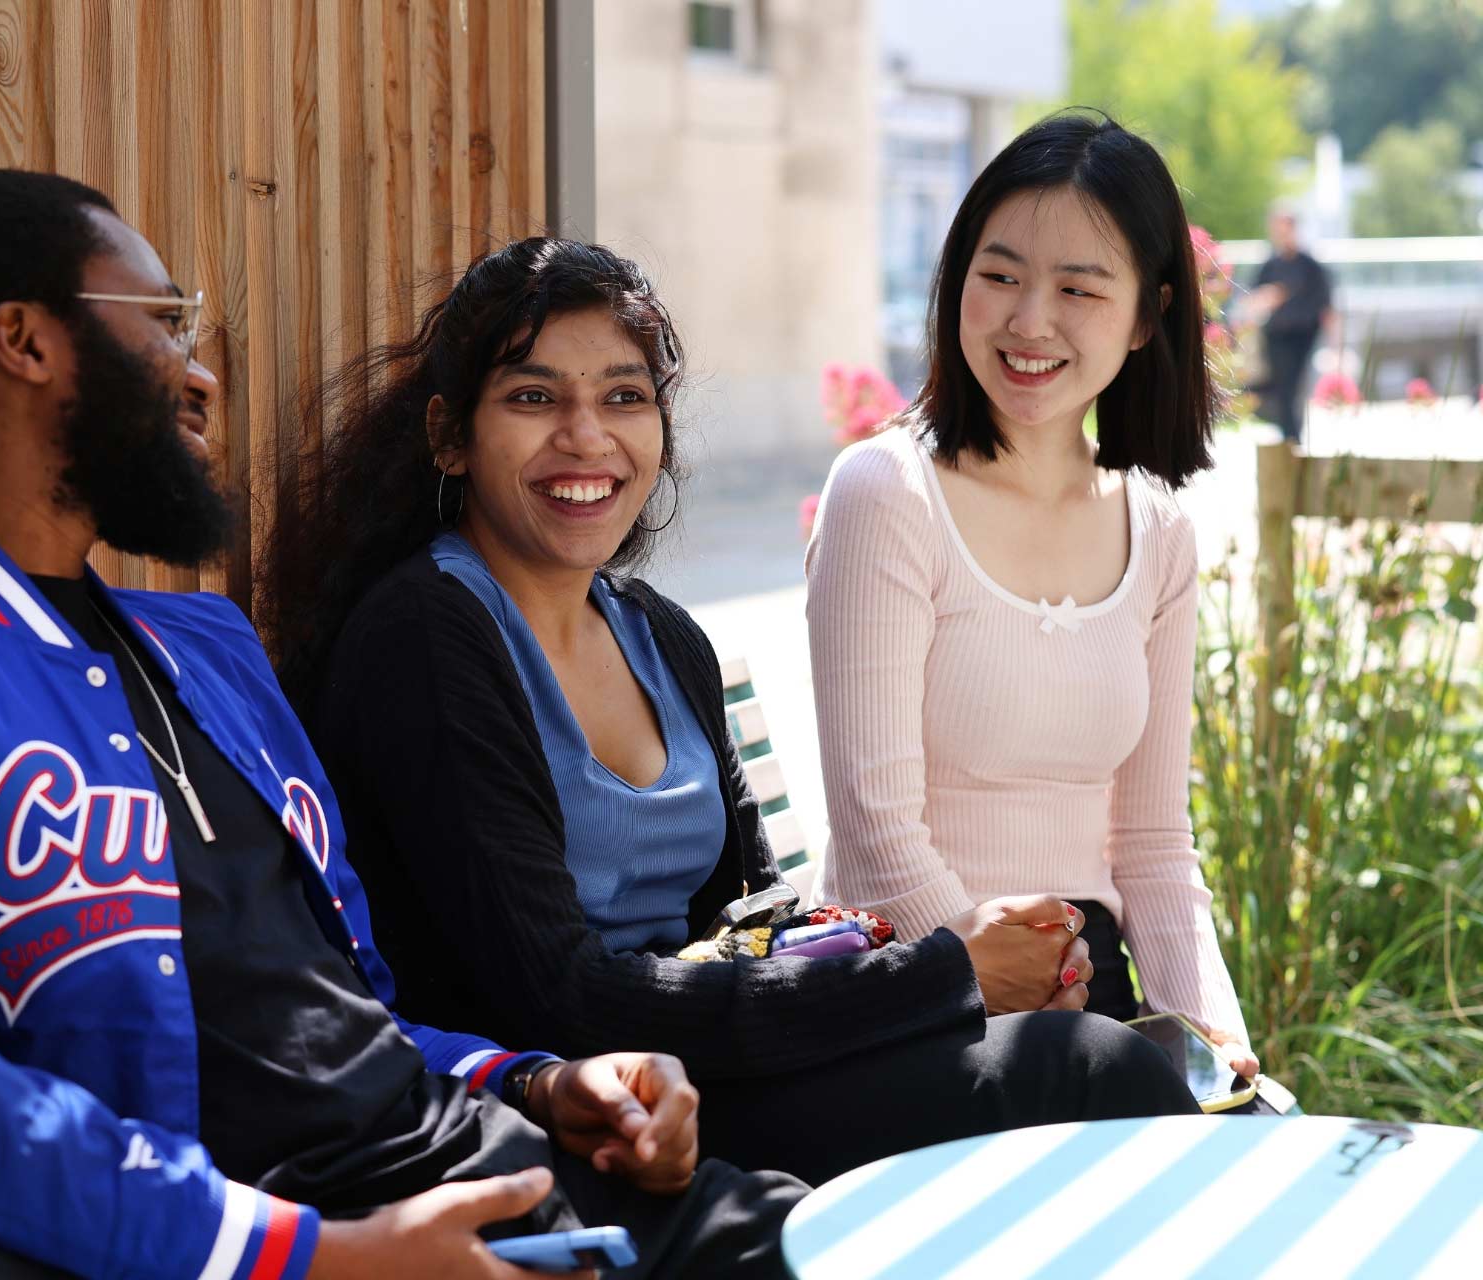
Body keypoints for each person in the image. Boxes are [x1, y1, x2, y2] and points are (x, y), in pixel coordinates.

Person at [0, 169, 810, 1280]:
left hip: (489, 1175)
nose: (203, 374)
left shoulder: (206, 650)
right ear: (25, 341)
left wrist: (541, 1081)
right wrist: (305, 1255)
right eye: (166, 323)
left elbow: (343, 1023)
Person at [260, 236, 1201, 1190]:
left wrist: (966, 965)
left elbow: (751, 925)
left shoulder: (662, 640)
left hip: (719, 1072)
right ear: (448, 436)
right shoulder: (427, 634)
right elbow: (555, 998)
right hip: (576, 1113)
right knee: (1083, 1072)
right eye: (533, 398)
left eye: (624, 397)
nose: (587, 437)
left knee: (1083, 1042)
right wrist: (943, 979)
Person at [805, 113, 1259, 1085]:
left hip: (1083, 997)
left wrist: (1212, 1032)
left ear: (1145, 316)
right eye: (1000, 275)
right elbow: (877, 828)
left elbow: (1151, 841)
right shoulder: (887, 494)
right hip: (909, 986)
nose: (1028, 321)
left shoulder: (1159, 526)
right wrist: (1000, 970)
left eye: (1078, 289)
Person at [1247, 206, 1335, 443]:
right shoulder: (1269, 266)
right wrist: (1268, 297)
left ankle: (1293, 438)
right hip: (1275, 337)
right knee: (1279, 389)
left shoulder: (1310, 266)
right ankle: (1289, 437)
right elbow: (1251, 301)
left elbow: (1327, 308)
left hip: (1303, 337)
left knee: (1294, 388)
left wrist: (1334, 349)